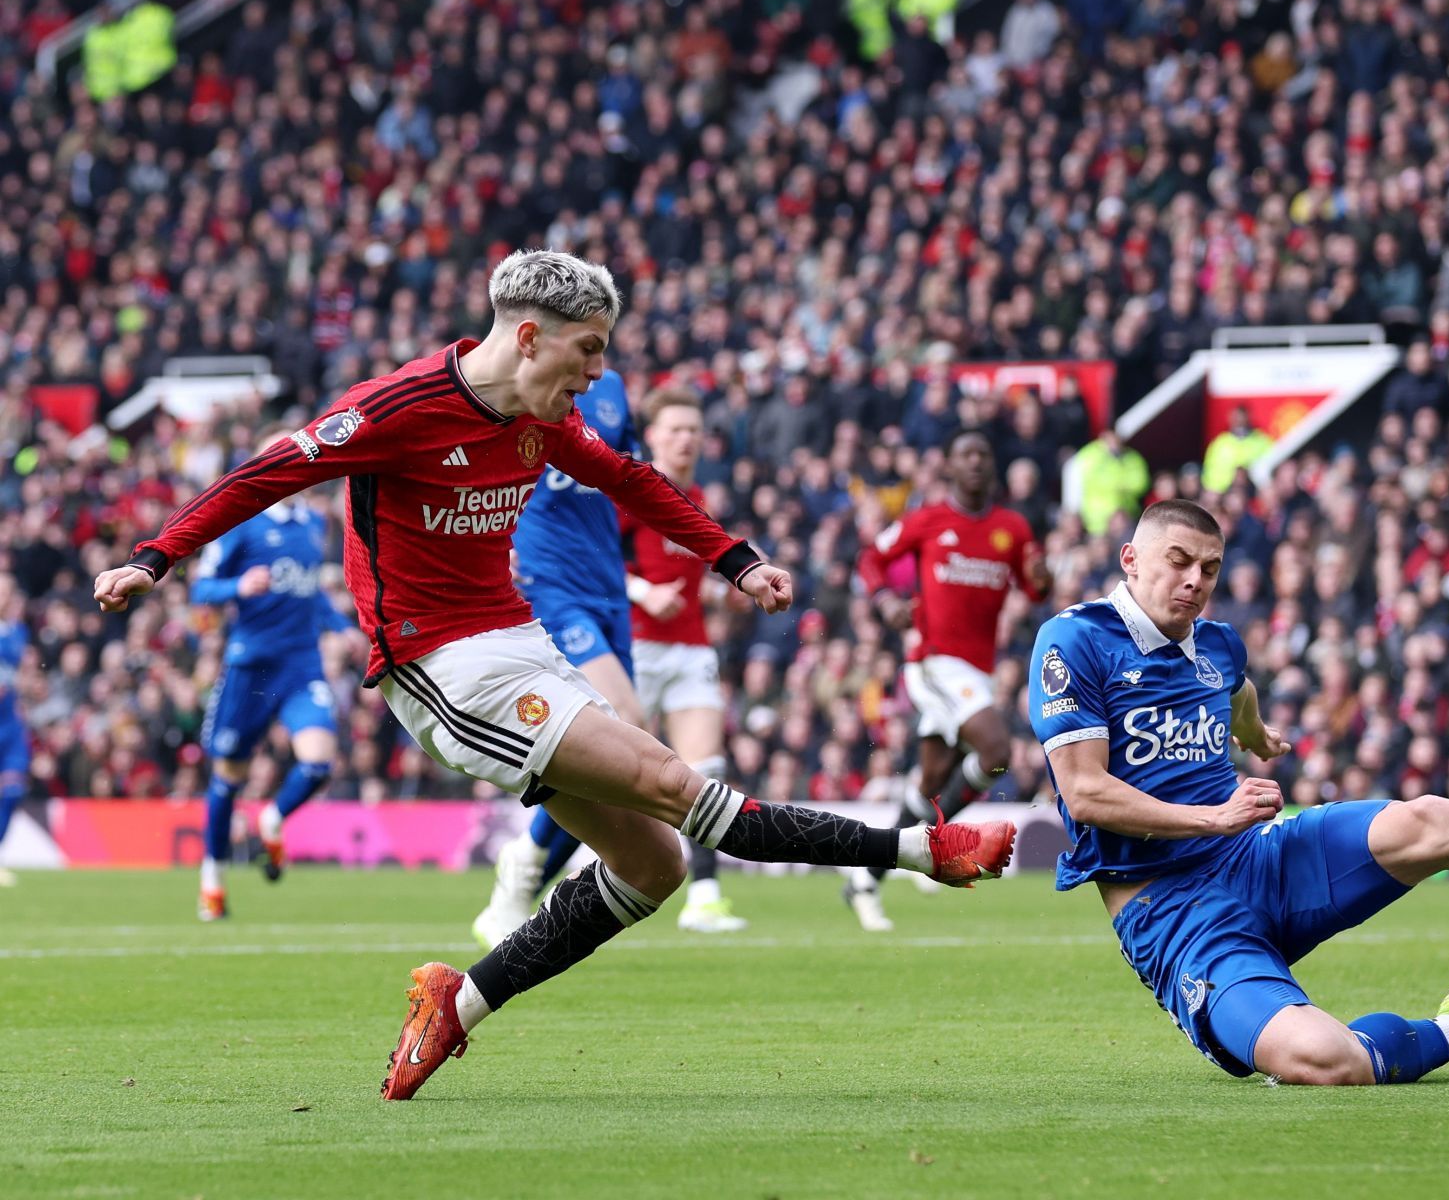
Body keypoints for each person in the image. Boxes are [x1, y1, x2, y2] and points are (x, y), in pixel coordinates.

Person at [93, 249, 1016, 1101]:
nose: (599, 373)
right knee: (669, 781)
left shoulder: (548, 420)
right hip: (439, 665)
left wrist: (733, 559)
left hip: (519, 640)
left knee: (654, 867)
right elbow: (263, 473)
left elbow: (634, 481)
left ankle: (454, 1007)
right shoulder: (398, 409)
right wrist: (153, 557)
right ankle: (912, 850)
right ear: (527, 335)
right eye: (588, 349)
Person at [1028, 499, 1449, 1086]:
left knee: (1426, 821)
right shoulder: (1076, 642)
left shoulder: (1218, 644)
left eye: (1209, 568)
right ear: (1130, 558)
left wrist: (1257, 734)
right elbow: (1085, 794)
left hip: (1256, 859)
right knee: (1325, 1062)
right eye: (1179, 561)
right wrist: (1215, 815)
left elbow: (1236, 689)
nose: (1195, 581)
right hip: (1173, 914)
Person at [469, 366, 660, 948]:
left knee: (609, 750)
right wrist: (488, 546)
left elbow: (620, 476)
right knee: (623, 722)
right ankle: (526, 867)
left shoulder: (613, 388)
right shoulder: (508, 381)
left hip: (605, 585)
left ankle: (524, 880)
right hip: (550, 585)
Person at [847, 429, 1049, 931]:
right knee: (997, 752)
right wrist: (885, 601)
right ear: (952, 468)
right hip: (933, 661)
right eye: (967, 455)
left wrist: (1042, 578)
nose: (977, 462)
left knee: (932, 784)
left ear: (993, 467)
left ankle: (864, 880)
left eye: (984, 454)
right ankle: (936, 844)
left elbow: (1035, 589)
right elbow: (871, 557)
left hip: (977, 670)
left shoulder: (1013, 528)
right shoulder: (929, 518)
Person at [189, 481, 356, 919]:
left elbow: (311, 594)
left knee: (319, 760)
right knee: (228, 777)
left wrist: (340, 626)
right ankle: (212, 881)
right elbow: (200, 589)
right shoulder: (241, 525)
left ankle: (273, 819)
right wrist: (238, 588)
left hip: (302, 666)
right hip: (250, 668)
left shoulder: (313, 523)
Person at [624, 386, 750, 932]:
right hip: (632, 646)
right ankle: (545, 869)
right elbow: (593, 563)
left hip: (691, 646)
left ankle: (704, 893)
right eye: (674, 428)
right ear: (651, 436)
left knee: (706, 770)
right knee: (608, 768)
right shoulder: (627, 489)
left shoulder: (697, 497)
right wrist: (642, 592)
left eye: (694, 430)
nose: (686, 439)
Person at [0, 576, 30, 888]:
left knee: (13, 791)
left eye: (9, 591)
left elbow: (19, 675)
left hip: (10, 725)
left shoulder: (18, 632)